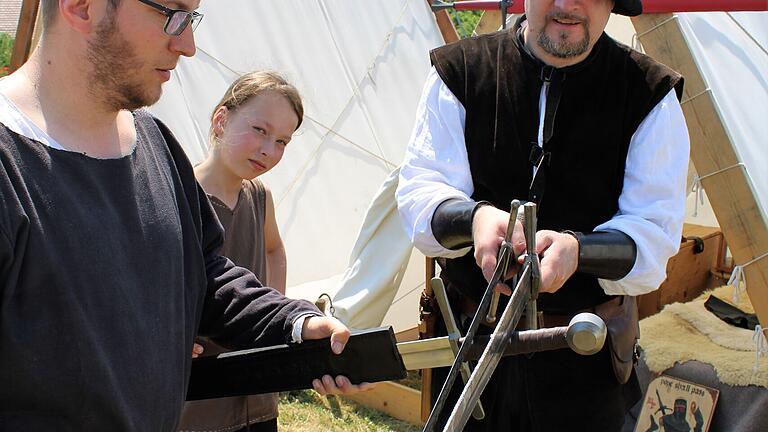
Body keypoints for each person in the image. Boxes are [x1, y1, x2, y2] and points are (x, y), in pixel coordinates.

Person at [0, 1, 368, 430]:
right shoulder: (9, 165)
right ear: (82, 7)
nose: (188, 45)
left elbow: (204, 274)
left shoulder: (154, 142)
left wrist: (294, 322)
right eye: (171, 13)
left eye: (191, 17)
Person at [395, 0, 689, 430]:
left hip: (585, 358)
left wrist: (576, 251)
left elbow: (653, 235)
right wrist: (475, 221)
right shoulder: (459, 71)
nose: (568, 5)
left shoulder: (649, 94)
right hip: (470, 346)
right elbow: (422, 191)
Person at [177, 71, 302, 431]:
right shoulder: (179, 195)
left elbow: (275, 249)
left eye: (282, 141)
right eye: (260, 130)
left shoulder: (259, 197)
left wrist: (274, 314)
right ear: (221, 120)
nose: (269, 149)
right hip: (198, 395)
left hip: (256, 390)